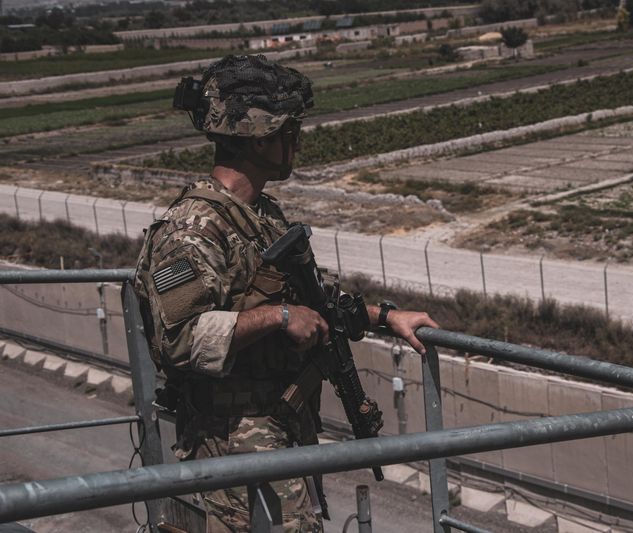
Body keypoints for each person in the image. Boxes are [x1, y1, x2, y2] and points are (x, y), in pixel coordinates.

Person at [133, 55, 439, 532]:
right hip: (232, 438)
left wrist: (384, 317)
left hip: (275, 427)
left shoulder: (260, 215)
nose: (298, 141)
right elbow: (179, 340)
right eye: (290, 130)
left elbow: (313, 302)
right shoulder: (192, 229)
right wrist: (278, 317)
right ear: (260, 136)